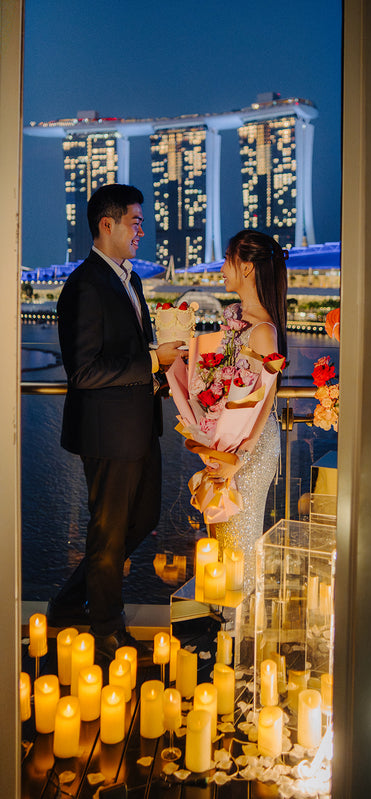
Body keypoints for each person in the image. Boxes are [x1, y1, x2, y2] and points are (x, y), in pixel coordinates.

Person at [49, 183, 183, 664]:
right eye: (136, 222)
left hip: (140, 426)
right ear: (107, 225)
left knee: (142, 520)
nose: (142, 231)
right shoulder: (85, 285)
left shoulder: (131, 279)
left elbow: (132, 351)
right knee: (108, 534)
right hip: (107, 434)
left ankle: (68, 601)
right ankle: (106, 631)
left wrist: (162, 371)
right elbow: (83, 371)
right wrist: (151, 361)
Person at [201, 229, 288, 594]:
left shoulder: (263, 331)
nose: (222, 267)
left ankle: (241, 634)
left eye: (227, 259)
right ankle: (225, 630)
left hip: (249, 450)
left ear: (248, 268)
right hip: (231, 446)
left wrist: (240, 455)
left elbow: (265, 399)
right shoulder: (238, 322)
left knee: (239, 546)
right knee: (222, 544)